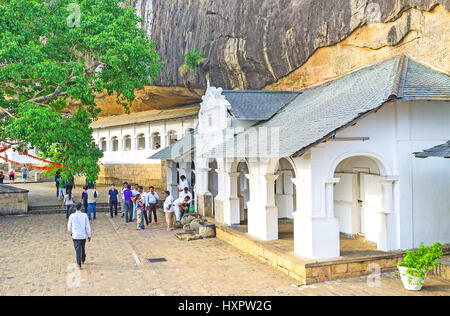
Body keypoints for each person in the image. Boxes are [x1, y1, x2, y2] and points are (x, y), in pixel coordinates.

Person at [68, 203, 91, 269]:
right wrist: (89, 235)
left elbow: (69, 226)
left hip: (75, 235)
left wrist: (70, 232)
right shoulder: (84, 215)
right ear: (81, 208)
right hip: (82, 235)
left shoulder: (72, 216)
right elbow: (87, 226)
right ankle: (83, 259)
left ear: (75, 208)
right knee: (82, 248)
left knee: (78, 249)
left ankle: (78, 263)